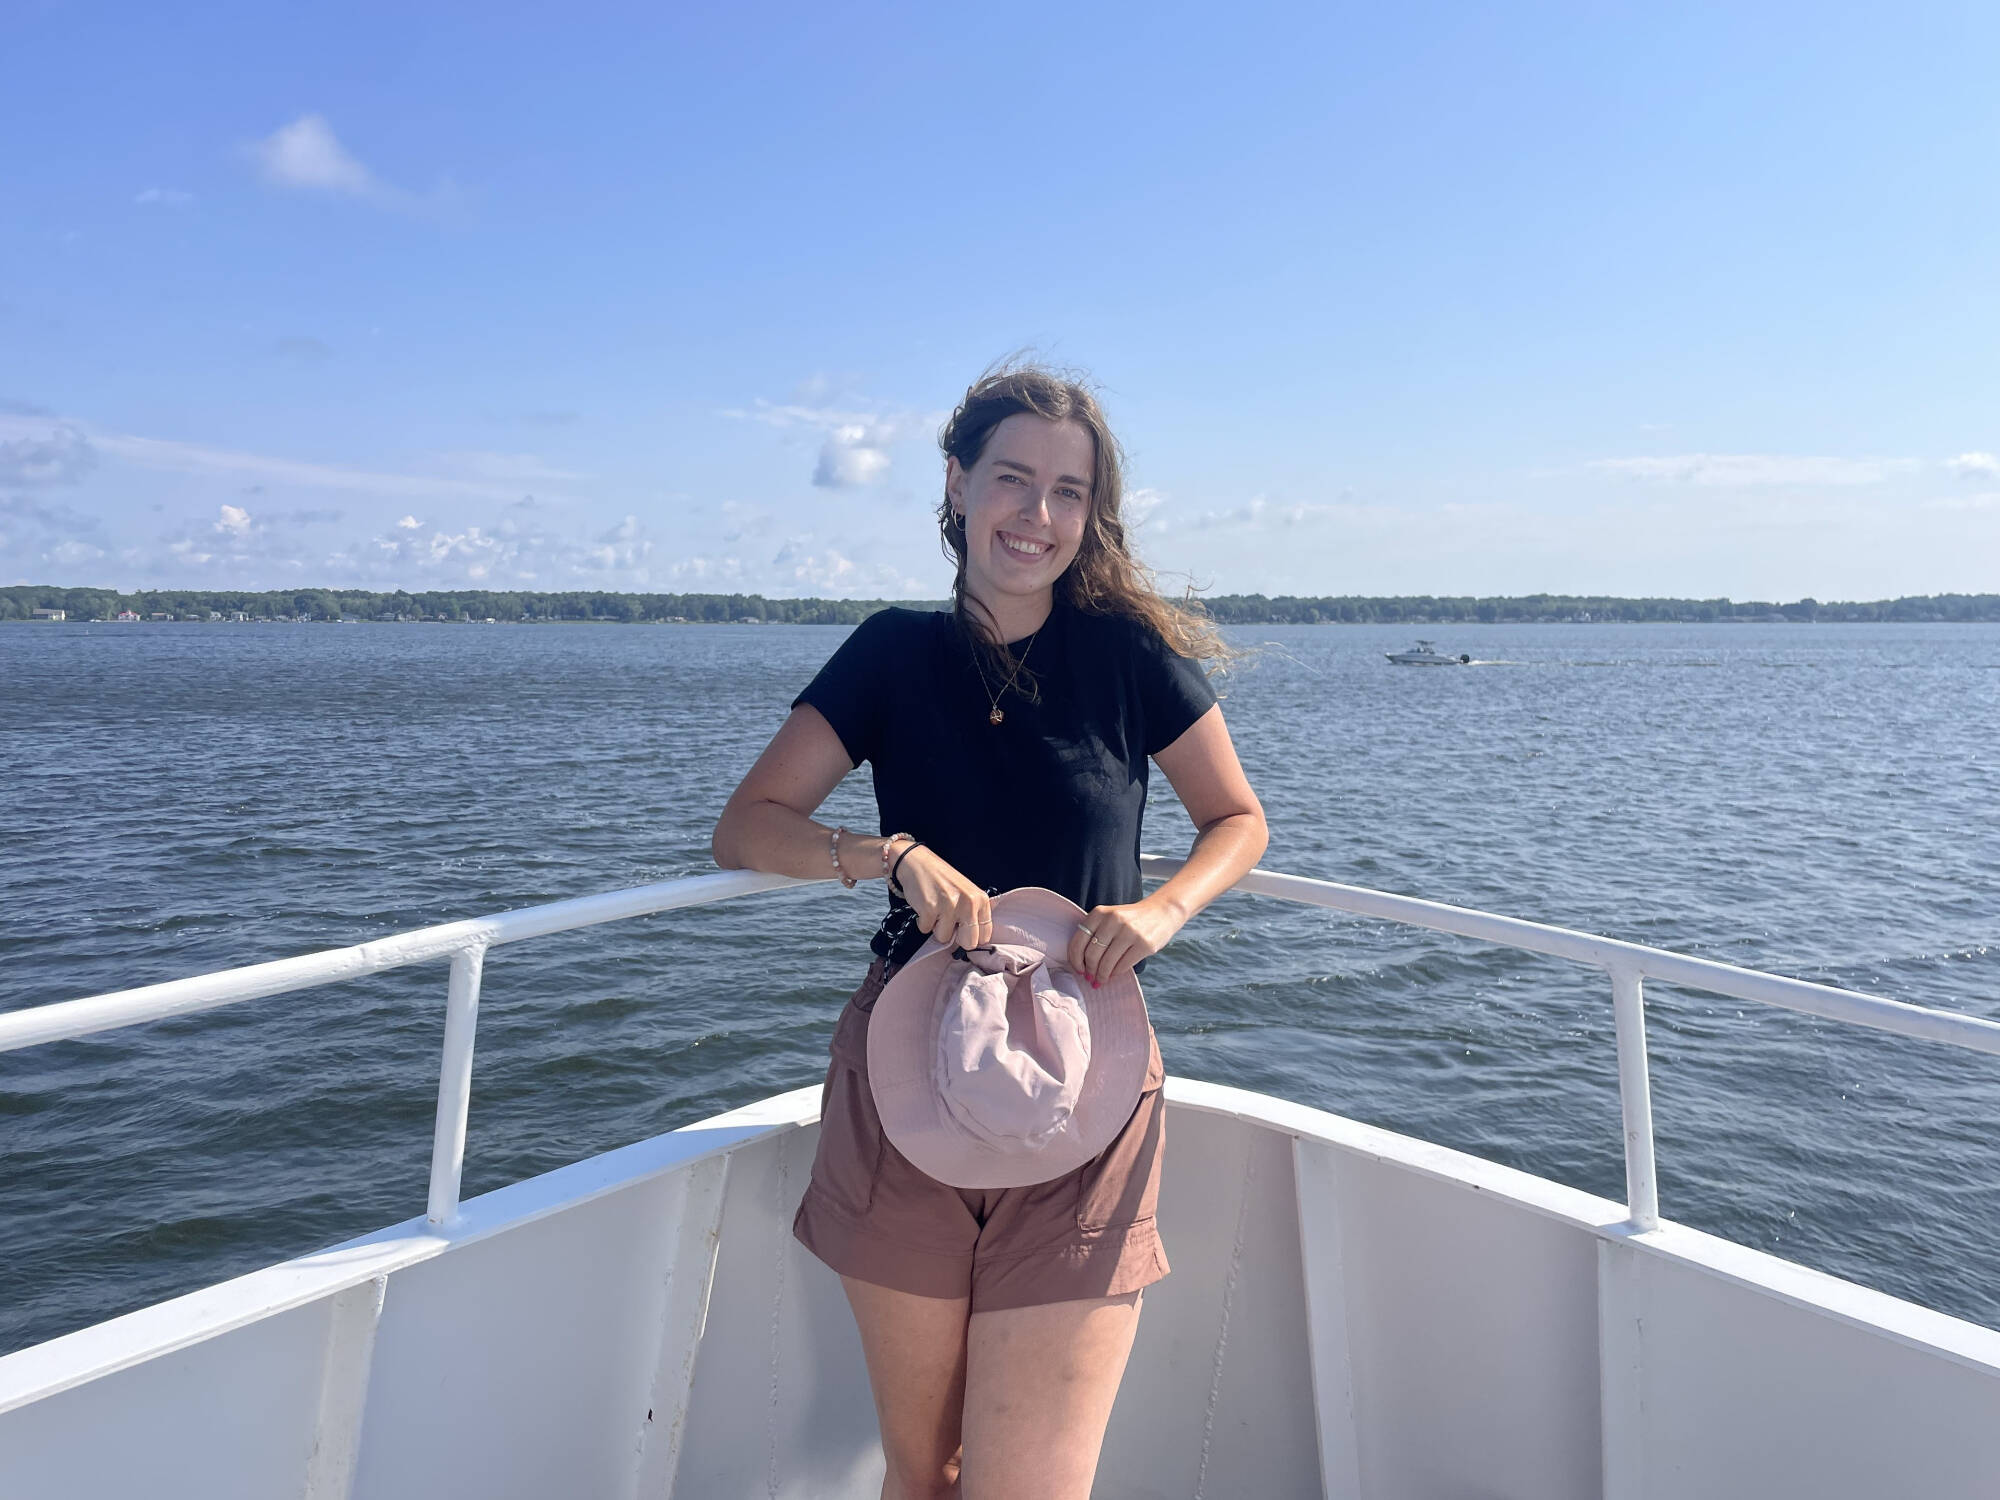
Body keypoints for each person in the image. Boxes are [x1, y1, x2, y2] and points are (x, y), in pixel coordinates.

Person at [711, 364, 1267, 1500]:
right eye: (1012, 479)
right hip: (905, 1068)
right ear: (957, 484)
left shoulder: (1126, 658)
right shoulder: (890, 653)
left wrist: (1160, 910)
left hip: (1087, 1074)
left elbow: (1237, 819)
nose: (1038, 514)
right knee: (924, 1476)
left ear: (1091, 514)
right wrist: (886, 854)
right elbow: (748, 827)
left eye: (1069, 492)